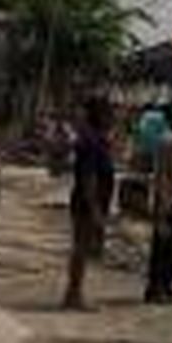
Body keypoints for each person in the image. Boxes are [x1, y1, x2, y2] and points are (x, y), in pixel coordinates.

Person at [64, 97, 115, 310]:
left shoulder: (95, 139)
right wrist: (94, 208)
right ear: (100, 116)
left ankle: (74, 293)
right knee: (81, 249)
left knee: (84, 249)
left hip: (89, 202)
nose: (112, 118)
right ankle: (73, 295)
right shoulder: (92, 142)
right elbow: (89, 178)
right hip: (86, 204)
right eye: (108, 114)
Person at [145, 104, 172, 304]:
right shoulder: (167, 142)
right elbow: (162, 177)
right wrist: (161, 211)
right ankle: (155, 289)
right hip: (168, 204)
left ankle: (167, 286)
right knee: (162, 248)